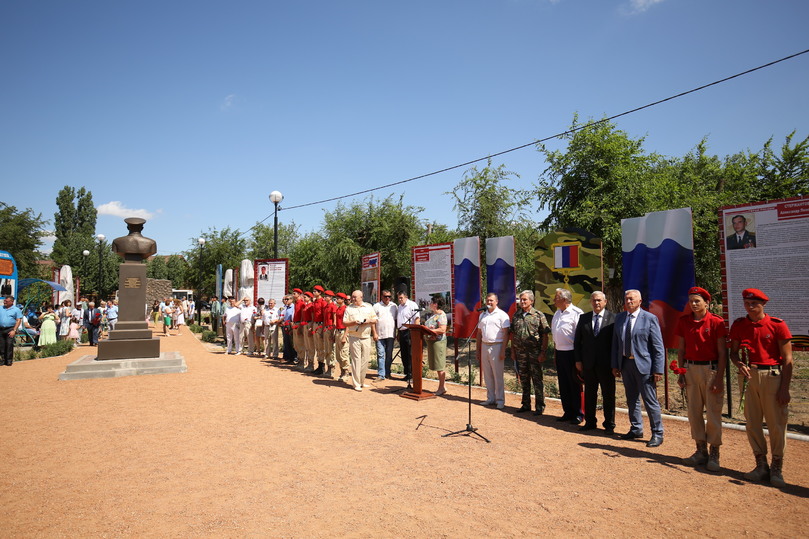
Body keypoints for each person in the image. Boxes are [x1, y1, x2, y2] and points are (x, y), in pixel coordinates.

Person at [729, 288, 793, 487]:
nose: (750, 307)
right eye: (747, 303)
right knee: (752, 422)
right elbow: (733, 353)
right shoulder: (739, 325)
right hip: (748, 377)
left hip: (771, 376)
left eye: (754, 304)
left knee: (776, 423)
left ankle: (777, 467)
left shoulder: (777, 325)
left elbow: (788, 358)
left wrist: (784, 388)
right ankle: (760, 464)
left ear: (763, 304)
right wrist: (739, 364)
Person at [674, 286, 727, 471]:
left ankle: (714, 453)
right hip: (690, 369)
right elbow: (681, 349)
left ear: (707, 302)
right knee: (694, 412)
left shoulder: (716, 322)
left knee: (713, 412)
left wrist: (719, 378)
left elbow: (722, 353)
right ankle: (700, 450)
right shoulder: (684, 322)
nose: (694, 304)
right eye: (691, 301)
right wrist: (681, 373)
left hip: (710, 370)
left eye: (697, 301)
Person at [611, 289, 666, 448]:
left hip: (644, 366)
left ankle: (657, 433)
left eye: (632, 299)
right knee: (631, 399)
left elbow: (658, 346)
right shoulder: (620, 318)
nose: (629, 302)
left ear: (640, 301)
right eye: (627, 299)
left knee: (650, 401)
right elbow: (616, 344)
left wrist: (658, 369)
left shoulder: (649, 319)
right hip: (626, 364)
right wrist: (615, 364)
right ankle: (636, 429)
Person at [574, 291, 616, 433]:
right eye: (594, 300)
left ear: (605, 302)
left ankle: (609, 424)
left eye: (599, 300)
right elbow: (577, 342)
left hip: (607, 365)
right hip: (588, 364)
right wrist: (578, 360)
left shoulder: (613, 318)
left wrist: (615, 364)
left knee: (608, 395)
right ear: (590, 302)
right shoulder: (584, 318)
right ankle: (590, 422)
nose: (596, 303)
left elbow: (616, 344)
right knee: (590, 394)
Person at [510, 290, 550, 416]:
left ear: (531, 301)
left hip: (535, 353)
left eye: (525, 299)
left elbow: (545, 335)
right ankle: (526, 404)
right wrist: (513, 351)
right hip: (520, 353)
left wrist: (543, 352)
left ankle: (540, 405)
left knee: (537, 379)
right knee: (524, 379)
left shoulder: (538, 315)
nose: (522, 302)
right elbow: (513, 334)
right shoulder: (516, 315)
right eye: (521, 299)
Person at [551, 288, 584, 423]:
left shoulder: (577, 313)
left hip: (572, 353)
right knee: (563, 384)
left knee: (575, 384)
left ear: (564, 300)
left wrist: (579, 359)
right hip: (560, 352)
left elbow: (580, 338)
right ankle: (568, 411)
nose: (554, 300)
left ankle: (579, 413)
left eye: (556, 298)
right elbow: (555, 336)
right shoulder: (557, 313)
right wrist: (555, 353)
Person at [477, 293, 511, 409]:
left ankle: (500, 400)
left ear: (497, 301)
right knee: (487, 375)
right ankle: (490, 398)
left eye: (491, 300)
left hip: (497, 346)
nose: (489, 303)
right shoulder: (482, 315)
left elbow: (506, 333)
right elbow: (479, 333)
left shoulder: (502, 315)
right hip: (484, 345)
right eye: (487, 300)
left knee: (497, 375)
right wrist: (478, 350)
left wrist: (503, 350)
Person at [343, 290, 377, 391]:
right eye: (352, 297)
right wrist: (353, 322)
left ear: (361, 297)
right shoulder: (349, 309)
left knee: (365, 360)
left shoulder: (369, 307)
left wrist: (368, 321)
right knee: (356, 360)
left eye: (355, 297)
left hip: (366, 337)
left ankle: (362, 381)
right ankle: (356, 383)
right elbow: (345, 322)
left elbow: (375, 319)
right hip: (354, 337)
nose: (353, 299)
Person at [424, 295, 448, 395]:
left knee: (440, 366)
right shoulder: (434, 315)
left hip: (439, 343)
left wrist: (430, 331)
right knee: (437, 365)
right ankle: (443, 386)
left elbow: (442, 329)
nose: (429, 304)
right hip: (432, 343)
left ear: (435, 304)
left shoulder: (442, 315)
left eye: (431, 303)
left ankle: (441, 388)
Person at [396, 290, 420, 382]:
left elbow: (416, 318)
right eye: (398, 298)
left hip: (410, 331)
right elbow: (400, 321)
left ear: (406, 297)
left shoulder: (412, 305)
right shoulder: (400, 307)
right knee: (404, 354)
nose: (400, 300)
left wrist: (416, 332)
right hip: (402, 332)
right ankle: (407, 373)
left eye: (401, 298)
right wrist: (398, 333)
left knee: (410, 353)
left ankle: (413, 374)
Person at [373, 290, 397, 380]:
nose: (387, 298)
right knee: (380, 354)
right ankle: (381, 374)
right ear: (381, 297)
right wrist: (374, 333)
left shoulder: (394, 306)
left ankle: (388, 372)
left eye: (389, 296)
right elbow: (373, 321)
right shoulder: (376, 306)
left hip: (390, 334)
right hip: (379, 335)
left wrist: (396, 333)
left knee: (389, 354)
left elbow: (396, 320)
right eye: (385, 296)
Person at [0, 296, 23, 365]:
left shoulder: (16, 310)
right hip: (1, 329)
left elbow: (18, 320)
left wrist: (14, 330)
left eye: (6, 301)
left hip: (10, 329)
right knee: (1, 346)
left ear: (11, 302)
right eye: (4, 301)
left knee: (9, 345)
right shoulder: (1, 308)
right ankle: (2, 360)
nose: (4, 302)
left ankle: (9, 360)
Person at [333, 292, 350, 382]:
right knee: (338, 354)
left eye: (338, 298)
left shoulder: (345, 309)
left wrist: (345, 336)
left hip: (343, 331)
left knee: (344, 353)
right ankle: (342, 371)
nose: (337, 299)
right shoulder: (338, 308)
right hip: (338, 331)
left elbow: (348, 324)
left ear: (343, 300)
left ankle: (346, 372)